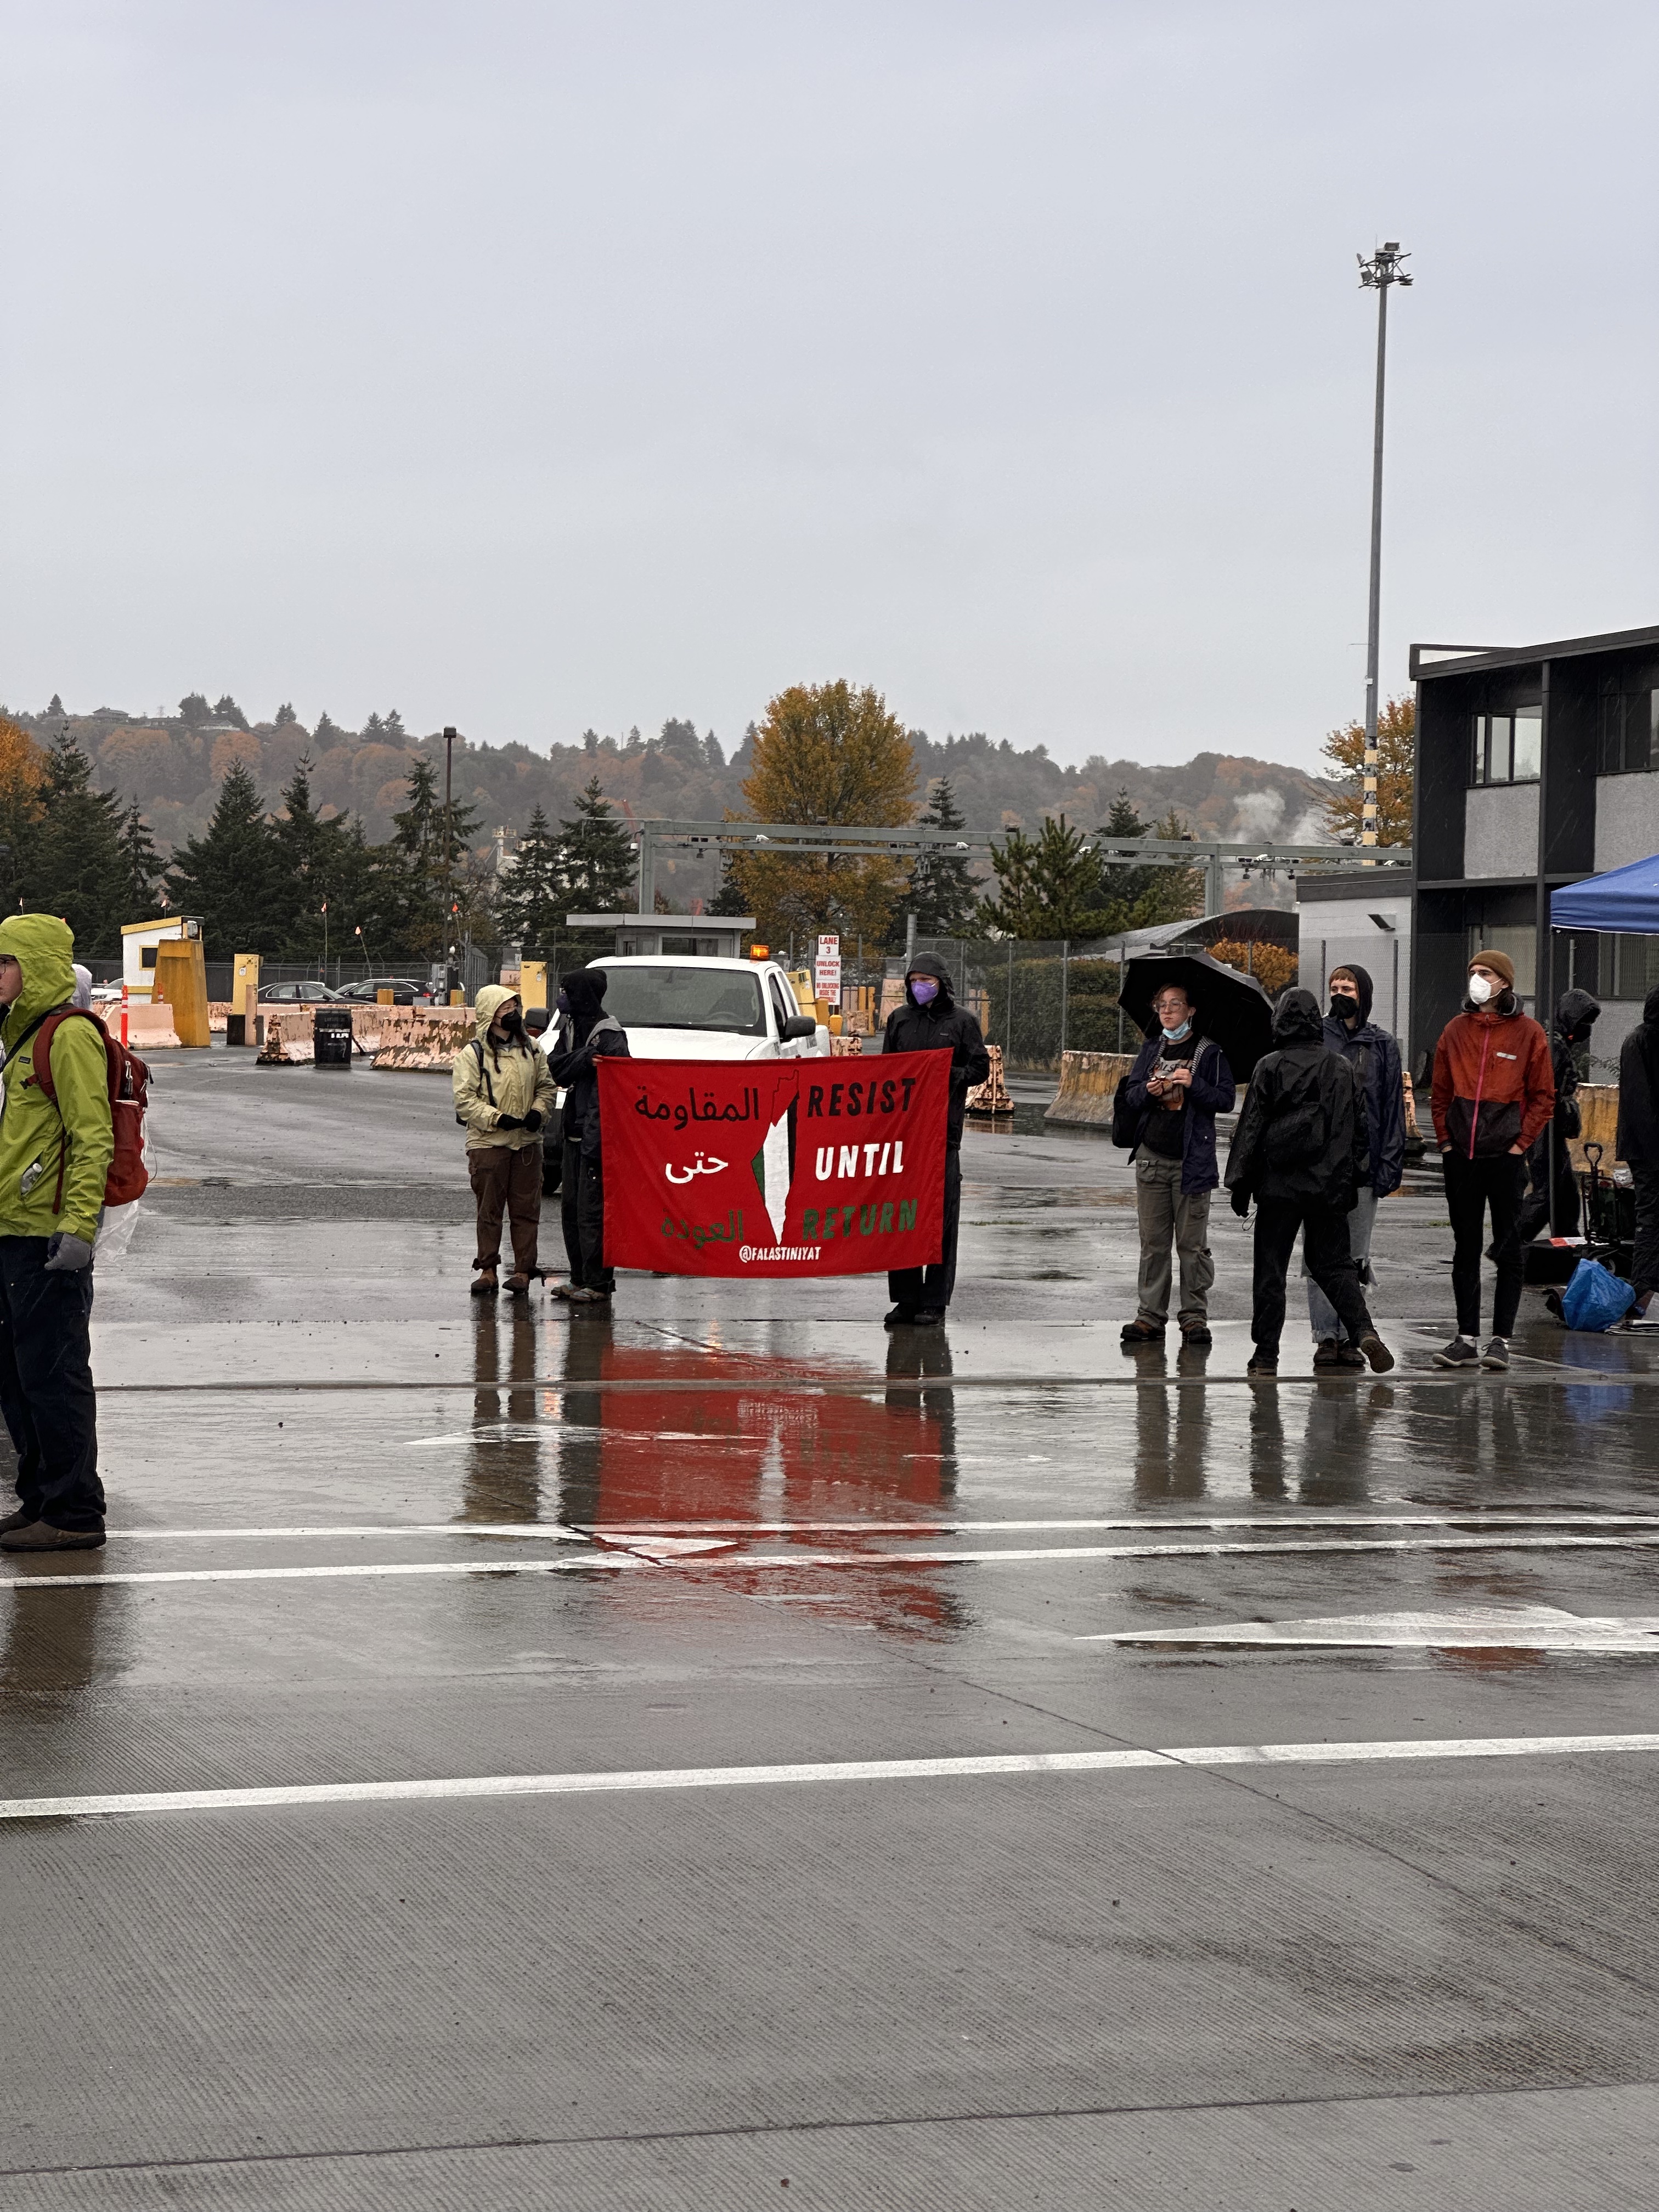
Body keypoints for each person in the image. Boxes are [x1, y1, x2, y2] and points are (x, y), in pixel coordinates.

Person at [0, 915, 114, 1552]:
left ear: (38, 966)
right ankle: (41, 1496)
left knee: (54, 1374)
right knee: (15, 1377)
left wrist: (77, 1227)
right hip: (10, 1230)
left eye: (6, 962)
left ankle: (74, 1512)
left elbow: (90, 1135)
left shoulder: (68, 1037)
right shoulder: (20, 1036)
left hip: (47, 1237)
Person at [1224, 986, 1394, 1379]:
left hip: (1279, 1189)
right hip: (1328, 1188)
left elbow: (1251, 1129)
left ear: (1281, 1021)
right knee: (1335, 1267)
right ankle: (1363, 1330)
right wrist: (1352, 1180)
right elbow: (1361, 1134)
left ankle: (1266, 1356)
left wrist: (1240, 1185)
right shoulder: (1341, 1067)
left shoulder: (1270, 1066)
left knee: (1271, 1272)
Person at [1429, 949, 1555, 1370]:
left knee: (1508, 1249)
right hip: (1461, 1158)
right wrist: (1446, 1141)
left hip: (1505, 1159)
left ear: (1504, 982)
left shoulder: (1528, 1033)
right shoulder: (1455, 1030)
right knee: (1465, 1248)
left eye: (1485, 973)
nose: (1477, 978)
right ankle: (1465, 1338)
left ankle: (1500, 1339)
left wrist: (1520, 1145)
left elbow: (1543, 1097)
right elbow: (1440, 1092)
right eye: (1473, 972)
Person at [1118, 981, 1235, 1349]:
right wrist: (1148, 1091)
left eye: (1175, 1005)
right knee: (1153, 1244)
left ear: (1191, 1011)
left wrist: (1194, 1083)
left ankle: (1194, 1316)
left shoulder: (1210, 1052)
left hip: (1193, 1162)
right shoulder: (1151, 1049)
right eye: (1162, 1006)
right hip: (1152, 1158)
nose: (1167, 1011)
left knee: (1191, 1245)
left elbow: (1226, 1099)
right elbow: (1130, 1096)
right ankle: (1150, 1316)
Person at [881, 953, 990, 1328]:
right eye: (914, 980)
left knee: (939, 1220)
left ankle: (935, 1301)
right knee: (902, 1218)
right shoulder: (899, 1020)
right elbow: (885, 1074)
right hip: (903, 1136)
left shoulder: (962, 1022)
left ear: (942, 982)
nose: (920, 986)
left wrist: (948, 1074)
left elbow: (980, 1068)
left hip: (943, 1135)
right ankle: (906, 1299)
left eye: (927, 979)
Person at [1305, 964, 1404, 1369]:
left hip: (1364, 1167)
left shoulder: (1382, 1044)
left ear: (1363, 992)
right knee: (1318, 1256)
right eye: (1334, 986)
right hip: (1320, 1167)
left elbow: (1393, 1105)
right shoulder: (1316, 1038)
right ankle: (1325, 1335)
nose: (1340, 992)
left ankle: (1350, 1336)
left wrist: (1390, 1164)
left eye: (1347, 986)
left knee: (1355, 1257)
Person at [452, 984, 556, 1298]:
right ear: (489, 1014)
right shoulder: (472, 1055)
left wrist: (539, 1112)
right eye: (505, 1008)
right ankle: (488, 1270)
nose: (513, 1013)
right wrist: (498, 1119)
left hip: (527, 1144)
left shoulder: (533, 1049)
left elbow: (546, 1087)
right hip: (488, 1145)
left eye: (515, 1006)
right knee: (490, 1210)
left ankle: (524, 1272)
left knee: (527, 1211)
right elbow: (465, 1100)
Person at [547, 968, 630, 1306]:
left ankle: (598, 1282)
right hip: (572, 1133)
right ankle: (578, 1276)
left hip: (598, 1136)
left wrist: (577, 1064)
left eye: (568, 990)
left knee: (593, 1213)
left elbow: (619, 1084)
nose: (562, 996)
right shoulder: (570, 1030)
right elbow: (555, 1069)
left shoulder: (610, 1035)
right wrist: (583, 1059)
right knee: (571, 1210)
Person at [1516, 987, 1600, 1246]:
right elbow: (1543, 1091)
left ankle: (1568, 1243)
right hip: (1543, 1129)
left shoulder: (1556, 1042)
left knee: (1565, 1193)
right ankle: (1509, 1246)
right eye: (1584, 1020)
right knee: (1548, 1192)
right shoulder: (1553, 1044)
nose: (1587, 1028)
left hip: (1549, 1128)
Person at [1616, 986, 1659, 1321]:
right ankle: (1641, 1290)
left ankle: (1643, 1291)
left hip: (1645, 1148)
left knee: (1651, 1218)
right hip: (1648, 1151)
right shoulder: (1642, 1043)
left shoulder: (1640, 1041)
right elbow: (1640, 1105)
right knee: (1651, 1218)